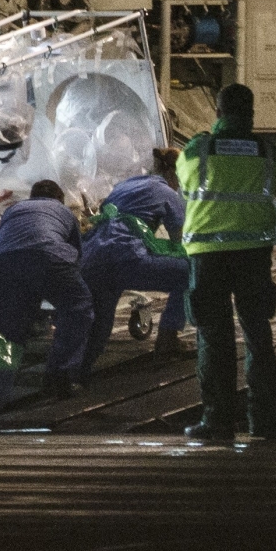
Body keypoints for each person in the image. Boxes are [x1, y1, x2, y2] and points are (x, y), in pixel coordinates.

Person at [178, 84, 276, 443]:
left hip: (208, 255)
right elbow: (269, 190)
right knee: (258, 335)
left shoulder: (199, 148)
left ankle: (218, 421)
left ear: (218, 111)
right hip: (254, 253)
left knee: (214, 337)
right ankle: (265, 422)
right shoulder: (269, 152)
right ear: (252, 112)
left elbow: (184, 180)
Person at [0, 179, 94, 429]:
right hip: (49, 257)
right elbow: (77, 255)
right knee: (78, 308)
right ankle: (60, 374)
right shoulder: (63, 212)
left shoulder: (13, 210)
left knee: (7, 332)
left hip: (5, 264)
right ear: (59, 198)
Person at [77, 148, 192, 383]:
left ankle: (76, 374)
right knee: (188, 274)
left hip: (93, 257)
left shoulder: (125, 185)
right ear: (176, 174)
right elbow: (179, 242)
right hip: (126, 257)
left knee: (101, 322)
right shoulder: (167, 193)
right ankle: (167, 343)